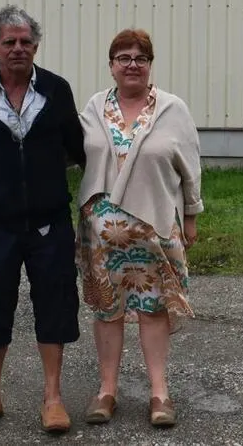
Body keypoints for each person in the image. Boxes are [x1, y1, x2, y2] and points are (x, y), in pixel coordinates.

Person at [0, 5, 86, 436]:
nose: (18, 48)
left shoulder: (57, 90)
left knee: (55, 305)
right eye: (9, 42)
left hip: (50, 224)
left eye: (26, 41)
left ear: (36, 47)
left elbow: (81, 151)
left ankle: (53, 398)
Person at [75, 28, 204, 428]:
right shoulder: (94, 107)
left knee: (153, 308)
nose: (132, 65)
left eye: (140, 58)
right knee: (107, 309)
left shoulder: (172, 109)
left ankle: (159, 394)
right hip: (101, 233)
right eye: (124, 58)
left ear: (150, 65)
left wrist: (191, 215)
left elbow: (191, 166)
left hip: (156, 228)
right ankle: (106, 391)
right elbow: (73, 153)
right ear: (111, 65)